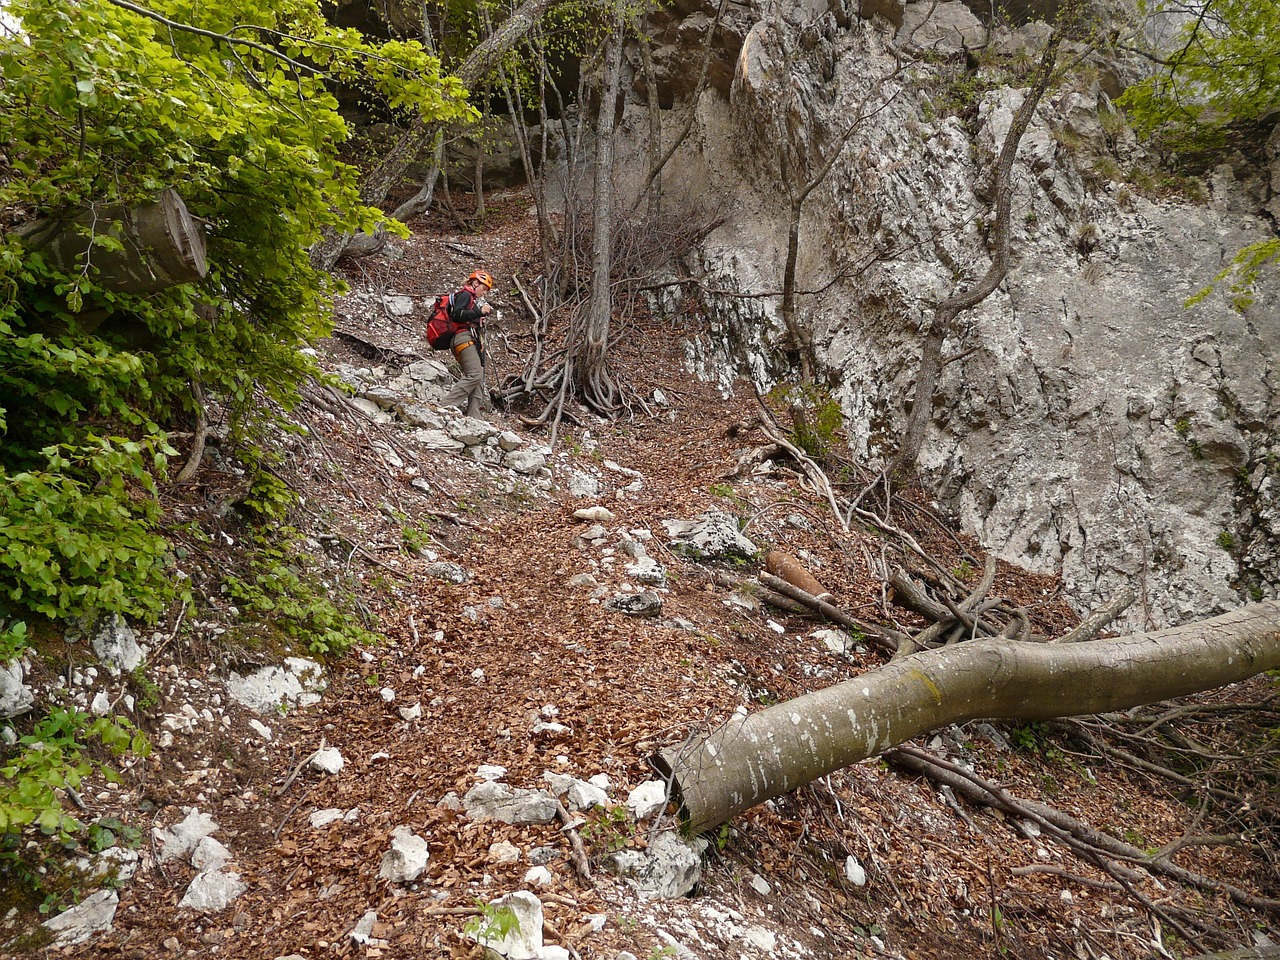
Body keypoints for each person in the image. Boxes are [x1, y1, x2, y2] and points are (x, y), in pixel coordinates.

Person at [439, 269, 494, 418]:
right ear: (475, 283)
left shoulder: (470, 299)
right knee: (475, 374)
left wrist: (478, 319)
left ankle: (474, 417)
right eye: (483, 289)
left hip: (465, 338)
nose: (484, 293)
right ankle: (445, 405)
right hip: (462, 338)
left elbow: (466, 316)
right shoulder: (465, 295)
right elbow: (457, 314)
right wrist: (479, 312)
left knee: (479, 376)